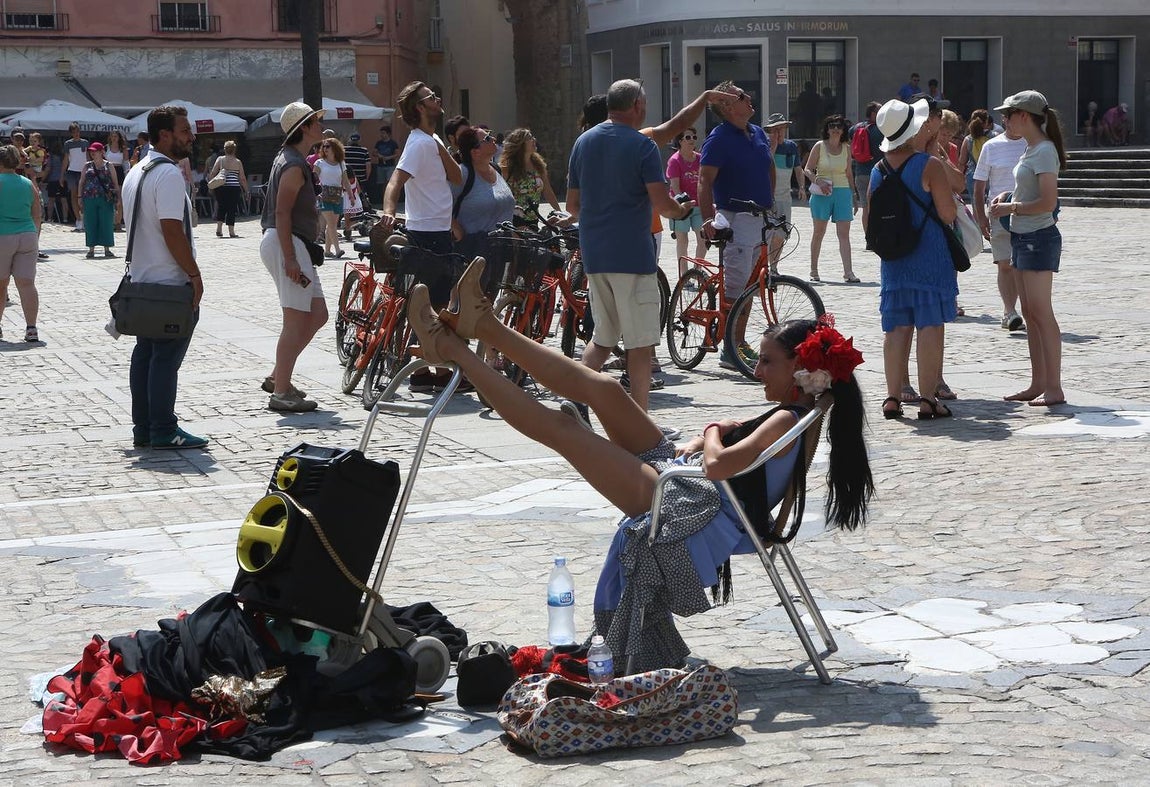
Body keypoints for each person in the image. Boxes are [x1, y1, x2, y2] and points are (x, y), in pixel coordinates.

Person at [407, 259, 873, 668]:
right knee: (607, 390)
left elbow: (718, 465)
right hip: (696, 490)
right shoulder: (803, 410)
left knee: (565, 431)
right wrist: (712, 435)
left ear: (799, 370)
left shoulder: (789, 418)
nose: (756, 369)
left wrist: (712, 430)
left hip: (696, 509)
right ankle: (484, 324)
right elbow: (729, 455)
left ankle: (452, 350)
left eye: (766, 361)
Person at [566, 79, 694, 422]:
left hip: (595, 255)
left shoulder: (583, 142)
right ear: (637, 105)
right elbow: (662, 204)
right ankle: (642, 426)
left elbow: (573, 205)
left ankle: (574, 399)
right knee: (640, 345)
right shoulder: (642, 146)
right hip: (632, 257)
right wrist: (682, 210)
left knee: (603, 339)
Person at [862, 98, 958, 421]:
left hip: (894, 259)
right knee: (929, 325)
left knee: (896, 329)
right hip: (929, 255)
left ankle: (892, 397)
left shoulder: (878, 170)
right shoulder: (929, 165)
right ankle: (929, 400)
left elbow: (868, 220)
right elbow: (948, 213)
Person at [121, 105, 207, 449]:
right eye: (185, 131)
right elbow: (172, 230)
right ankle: (163, 428)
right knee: (165, 359)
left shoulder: (136, 170)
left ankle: (143, 427)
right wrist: (194, 274)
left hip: (142, 281)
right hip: (169, 284)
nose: (191, 137)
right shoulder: (168, 173)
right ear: (165, 135)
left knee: (145, 354)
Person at [378, 81, 464, 393]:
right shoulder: (418, 144)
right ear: (420, 107)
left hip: (437, 230)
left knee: (433, 303)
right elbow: (395, 181)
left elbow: (456, 176)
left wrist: (438, 143)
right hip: (427, 234)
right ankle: (434, 371)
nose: (437, 98)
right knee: (435, 305)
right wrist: (389, 210)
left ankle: (427, 370)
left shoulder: (430, 140)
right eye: (431, 97)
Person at [987, 90, 1067, 408]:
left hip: (1038, 237)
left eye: (1008, 115)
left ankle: (1054, 386)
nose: (1004, 120)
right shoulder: (1031, 148)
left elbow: (1047, 202)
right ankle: (1038, 383)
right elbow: (1031, 190)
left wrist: (1011, 207)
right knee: (1030, 313)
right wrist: (1009, 196)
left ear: (1024, 116)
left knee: (1042, 313)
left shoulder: (1044, 150)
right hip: (1022, 237)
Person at [698, 81, 777, 371]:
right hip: (736, 217)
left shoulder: (757, 132)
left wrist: (769, 200)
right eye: (742, 96)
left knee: (752, 285)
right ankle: (731, 349)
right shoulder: (718, 139)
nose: (749, 98)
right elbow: (704, 180)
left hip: (759, 218)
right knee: (737, 287)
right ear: (727, 106)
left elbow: (769, 166)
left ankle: (738, 342)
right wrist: (707, 218)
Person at [259, 102, 328, 413]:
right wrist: (290, 258)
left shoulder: (292, 159)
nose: (320, 125)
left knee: (317, 313)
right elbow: (282, 213)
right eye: (315, 121)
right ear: (304, 127)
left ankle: (279, 376)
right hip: (287, 242)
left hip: (292, 243)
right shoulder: (294, 165)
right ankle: (281, 391)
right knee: (295, 320)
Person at [973, 115, 1028, 332]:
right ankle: (1009, 312)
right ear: (1005, 120)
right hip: (998, 214)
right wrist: (981, 217)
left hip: (1027, 212)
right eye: (1012, 118)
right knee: (1005, 264)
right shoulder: (991, 146)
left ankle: (1027, 310)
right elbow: (979, 187)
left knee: (1023, 266)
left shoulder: (1032, 145)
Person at [803, 115, 859, 283]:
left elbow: (849, 173)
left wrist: (854, 195)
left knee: (844, 234)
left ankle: (848, 272)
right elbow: (807, 169)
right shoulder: (819, 146)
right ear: (827, 129)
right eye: (832, 126)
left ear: (843, 130)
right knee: (819, 232)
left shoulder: (847, 148)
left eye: (839, 126)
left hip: (843, 192)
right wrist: (817, 181)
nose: (835, 129)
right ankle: (813, 270)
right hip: (822, 192)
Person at [0, 144, 43, 343]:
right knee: (27, 284)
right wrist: (34, 235)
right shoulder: (27, 183)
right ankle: (31, 328)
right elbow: (37, 214)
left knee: (1, 285)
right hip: (27, 235)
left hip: (3, 236)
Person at [763, 114, 804, 273]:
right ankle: (763, 268)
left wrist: (801, 187)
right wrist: (772, 147)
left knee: (781, 234)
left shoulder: (791, 147)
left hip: (785, 198)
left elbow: (798, 169)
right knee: (766, 235)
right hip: (767, 198)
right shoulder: (764, 145)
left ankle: (774, 267)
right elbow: (764, 166)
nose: (778, 133)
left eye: (781, 129)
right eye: (775, 130)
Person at [499, 128, 562, 226]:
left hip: (533, 220)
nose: (534, 140)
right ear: (520, 144)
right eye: (529, 138)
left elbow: (548, 191)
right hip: (514, 221)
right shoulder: (507, 168)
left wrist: (560, 214)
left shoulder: (538, 165)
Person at [666, 127, 705, 273]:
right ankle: (684, 275)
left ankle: (697, 271)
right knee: (683, 240)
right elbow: (675, 188)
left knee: (703, 238)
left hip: (698, 205)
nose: (692, 140)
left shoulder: (700, 159)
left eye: (694, 137)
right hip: (680, 206)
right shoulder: (675, 161)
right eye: (688, 137)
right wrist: (683, 206)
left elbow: (705, 182)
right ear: (680, 141)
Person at [78, 142, 118, 259]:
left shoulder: (109, 165)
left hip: (106, 198)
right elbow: (81, 182)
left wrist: (117, 198)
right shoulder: (87, 166)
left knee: (106, 222)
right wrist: (79, 197)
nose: (92, 153)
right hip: (89, 197)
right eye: (91, 151)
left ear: (101, 152)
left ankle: (107, 248)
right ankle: (91, 249)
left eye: (95, 151)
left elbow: (115, 182)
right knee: (90, 222)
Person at [312, 137, 352, 259]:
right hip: (324, 196)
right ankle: (338, 250)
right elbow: (313, 179)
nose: (325, 148)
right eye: (323, 146)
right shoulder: (319, 163)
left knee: (332, 224)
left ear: (335, 148)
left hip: (338, 196)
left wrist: (351, 195)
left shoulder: (341, 163)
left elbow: (345, 181)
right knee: (331, 224)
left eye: (327, 146)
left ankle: (327, 251)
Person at [207, 140, 248, 239]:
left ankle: (219, 229)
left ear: (225, 150)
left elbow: (212, 173)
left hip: (221, 186)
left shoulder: (220, 159)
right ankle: (231, 231)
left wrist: (211, 185)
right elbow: (242, 178)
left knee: (221, 206)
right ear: (234, 150)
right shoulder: (238, 162)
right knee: (232, 208)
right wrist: (246, 190)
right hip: (234, 188)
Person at [849, 103, 883, 213]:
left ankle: (866, 226)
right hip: (877, 173)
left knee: (866, 208)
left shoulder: (856, 128)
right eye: (880, 111)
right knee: (878, 209)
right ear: (873, 114)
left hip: (860, 173)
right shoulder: (881, 130)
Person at [958, 109, 994, 200]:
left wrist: (959, 179)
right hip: (991, 175)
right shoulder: (994, 136)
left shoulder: (968, 139)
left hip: (973, 176)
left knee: (976, 205)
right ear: (986, 122)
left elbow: (962, 162)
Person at [61, 123, 88, 231]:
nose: (76, 134)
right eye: (74, 132)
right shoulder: (68, 144)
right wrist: (62, 175)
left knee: (84, 195)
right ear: (71, 133)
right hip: (72, 171)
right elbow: (66, 159)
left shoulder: (85, 142)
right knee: (73, 195)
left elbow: (88, 157)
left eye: (77, 131)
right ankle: (78, 219)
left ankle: (84, 218)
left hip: (84, 171)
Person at [342, 132, 372, 215]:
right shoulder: (364, 150)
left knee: (346, 194)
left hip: (347, 177)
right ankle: (359, 210)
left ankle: (347, 211)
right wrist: (367, 177)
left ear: (350, 140)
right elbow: (368, 165)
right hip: (361, 177)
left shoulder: (344, 149)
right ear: (359, 140)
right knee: (360, 194)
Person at [104, 130, 129, 231]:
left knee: (119, 199)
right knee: (108, 198)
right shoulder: (106, 148)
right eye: (112, 136)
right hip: (108, 171)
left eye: (116, 136)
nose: (114, 138)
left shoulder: (123, 149)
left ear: (119, 138)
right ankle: (110, 222)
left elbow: (126, 163)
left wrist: (127, 174)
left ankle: (118, 222)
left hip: (119, 171)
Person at [372, 125, 399, 204]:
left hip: (390, 166)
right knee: (382, 184)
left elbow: (397, 154)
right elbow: (374, 152)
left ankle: (390, 200)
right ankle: (384, 200)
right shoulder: (379, 143)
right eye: (381, 133)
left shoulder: (393, 143)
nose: (381, 135)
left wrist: (389, 157)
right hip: (380, 166)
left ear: (388, 134)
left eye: (383, 133)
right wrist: (379, 155)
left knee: (389, 183)